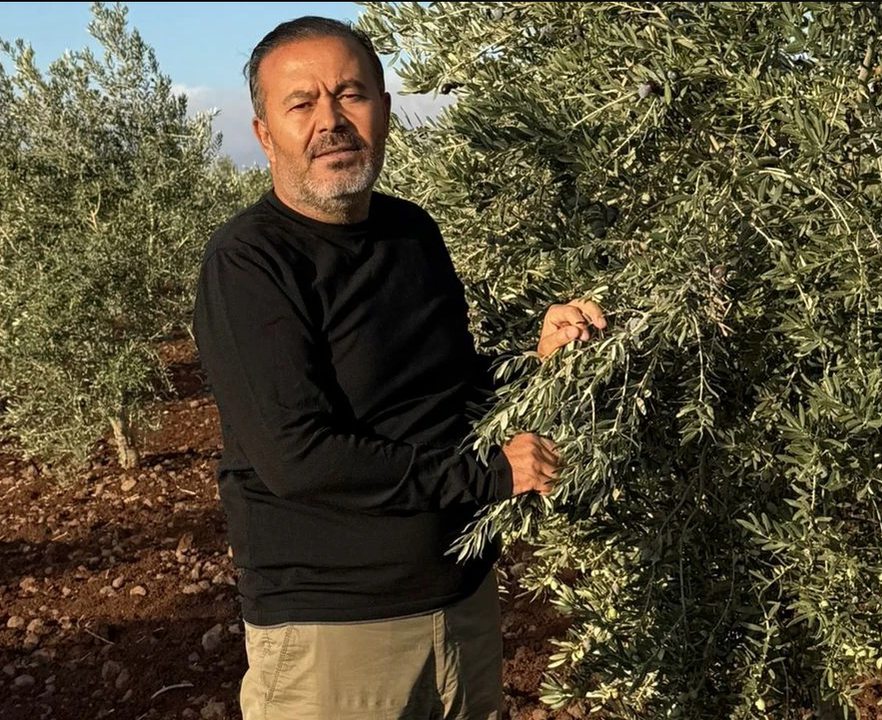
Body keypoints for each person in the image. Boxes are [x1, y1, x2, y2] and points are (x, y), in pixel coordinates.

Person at [191, 15, 606, 720]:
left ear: (383, 111)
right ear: (264, 134)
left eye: (351, 95)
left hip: (462, 605)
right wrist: (489, 475)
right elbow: (299, 457)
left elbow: (451, 392)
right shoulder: (250, 264)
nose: (331, 121)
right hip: (335, 637)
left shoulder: (412, 233)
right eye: (302, 103)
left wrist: (536, 362)